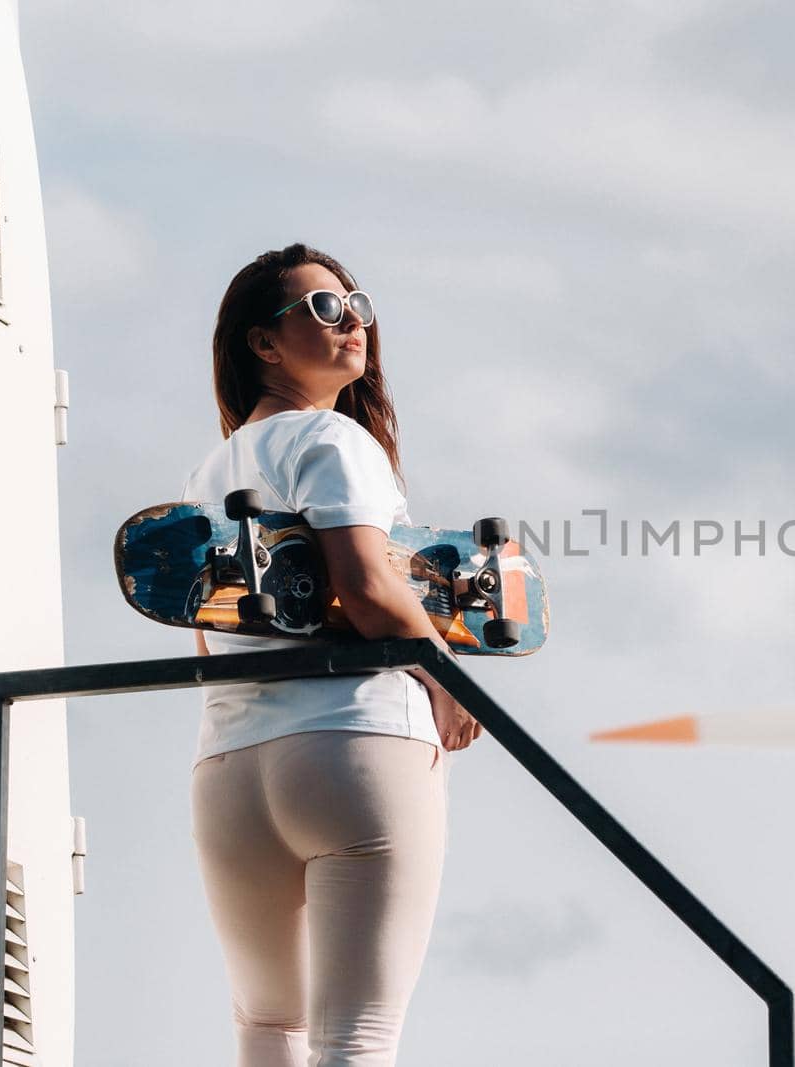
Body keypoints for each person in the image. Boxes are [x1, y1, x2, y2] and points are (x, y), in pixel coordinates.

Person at [181, 243, 479, 1065]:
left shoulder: (207, 473)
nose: (350, 321)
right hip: (353, 742)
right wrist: (448, 681)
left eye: (356, 305)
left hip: (231, 768)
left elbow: (208, 634)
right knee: (358, 1035)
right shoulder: (336, 441)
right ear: (263, 344)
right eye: (320, 308)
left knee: (269, 1026)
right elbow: (366, 584)